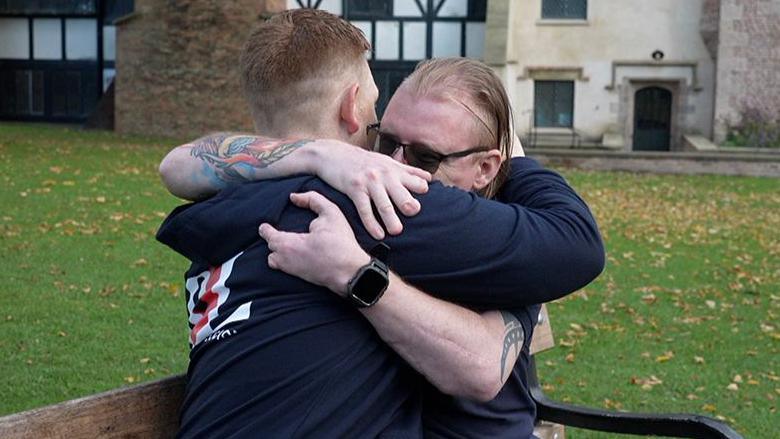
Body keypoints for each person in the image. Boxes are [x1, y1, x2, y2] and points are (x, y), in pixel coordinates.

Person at [157, 9, 603, 438]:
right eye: (381, 132)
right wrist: (515, 161)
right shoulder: (373, 202)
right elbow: (575, 243)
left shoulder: (223, 201)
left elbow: (177, 164)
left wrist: (314, 152)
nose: (393, 161)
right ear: (354, 108)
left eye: (422, 156)